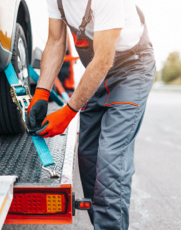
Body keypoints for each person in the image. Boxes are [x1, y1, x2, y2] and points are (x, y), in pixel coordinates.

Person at [26, 0, 156, 229]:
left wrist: (66, 114)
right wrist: (42, 93)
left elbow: (105, 59)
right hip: (98, 71)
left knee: (110, 162)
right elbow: (56, 41)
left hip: (131, 69)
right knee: (89, 159)